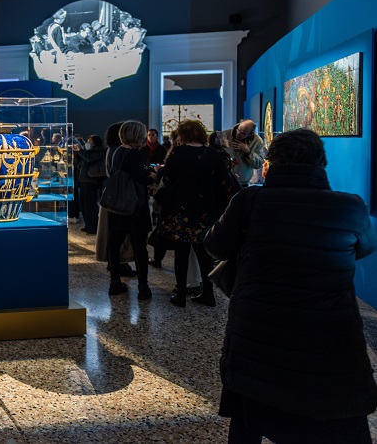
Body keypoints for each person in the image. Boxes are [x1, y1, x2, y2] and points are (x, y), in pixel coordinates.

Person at [204, 129, 377, 443]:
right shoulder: (349, 206)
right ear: (321, 162)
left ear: (271, 161)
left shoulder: (249, 201)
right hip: (328, 332)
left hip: (257, 330)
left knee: (249, 415)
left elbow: (215, 246)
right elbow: (364, 247)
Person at [157, 120, 226, 307]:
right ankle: (208, 293)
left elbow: (167, 178)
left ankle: (181, 294)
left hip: (181, 209)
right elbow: (222, 180)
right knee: (204, 253)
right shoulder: (212, 154)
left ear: (183, 135)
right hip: (206, 210)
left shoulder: (177, 153)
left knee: (181, 252)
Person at [105, 121, 156, 299]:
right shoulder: (133, 153)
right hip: (134, 207)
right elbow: (142, 178)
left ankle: (115, 283)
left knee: (114, 245)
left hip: (117, 206)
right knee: (139, 247)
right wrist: (153, 175)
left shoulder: (117, 151)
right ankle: (143, 288)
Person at [96, 122, 136, 277]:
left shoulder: (110, 150)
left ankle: (114, 263)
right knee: (118, 235)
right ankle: (119, 264)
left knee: (111, 234)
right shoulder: (119, 151)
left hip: (111, 194)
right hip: (120, 196)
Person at [73, 134, 106, 234]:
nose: (88, 143)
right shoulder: (88, 151)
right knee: (84, 205)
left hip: (91, 181)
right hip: (84, 180)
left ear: (95, 142)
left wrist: (80, 151)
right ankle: (88, 225)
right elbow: (82, 162)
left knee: (90, 205)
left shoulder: (99, 151)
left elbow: (89, 158)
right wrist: (77, 154)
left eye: (90, 141)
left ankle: (92, 227)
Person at [218, 119, 265, 186]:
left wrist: (248, 152)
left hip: (243, 181)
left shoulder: (257, 141)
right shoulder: (223, 135)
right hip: (223, 180)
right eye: (238, 130)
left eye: (242, 133)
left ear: (250, 134)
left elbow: (258, 164)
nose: (238, 134)